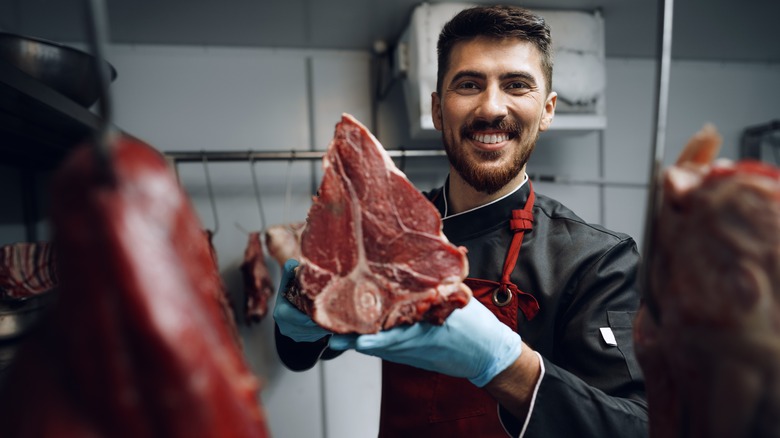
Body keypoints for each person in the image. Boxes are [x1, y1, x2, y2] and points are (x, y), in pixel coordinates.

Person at [273, 5, 648, 437]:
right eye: (469, 84)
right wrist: (297, 327)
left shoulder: (599, 260)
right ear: (437, 109)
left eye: (516, 85)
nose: (491, 108)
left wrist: (506, 365)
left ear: (546, 111)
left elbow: (635, 426)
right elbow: (304, 354)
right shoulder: (387, 230)